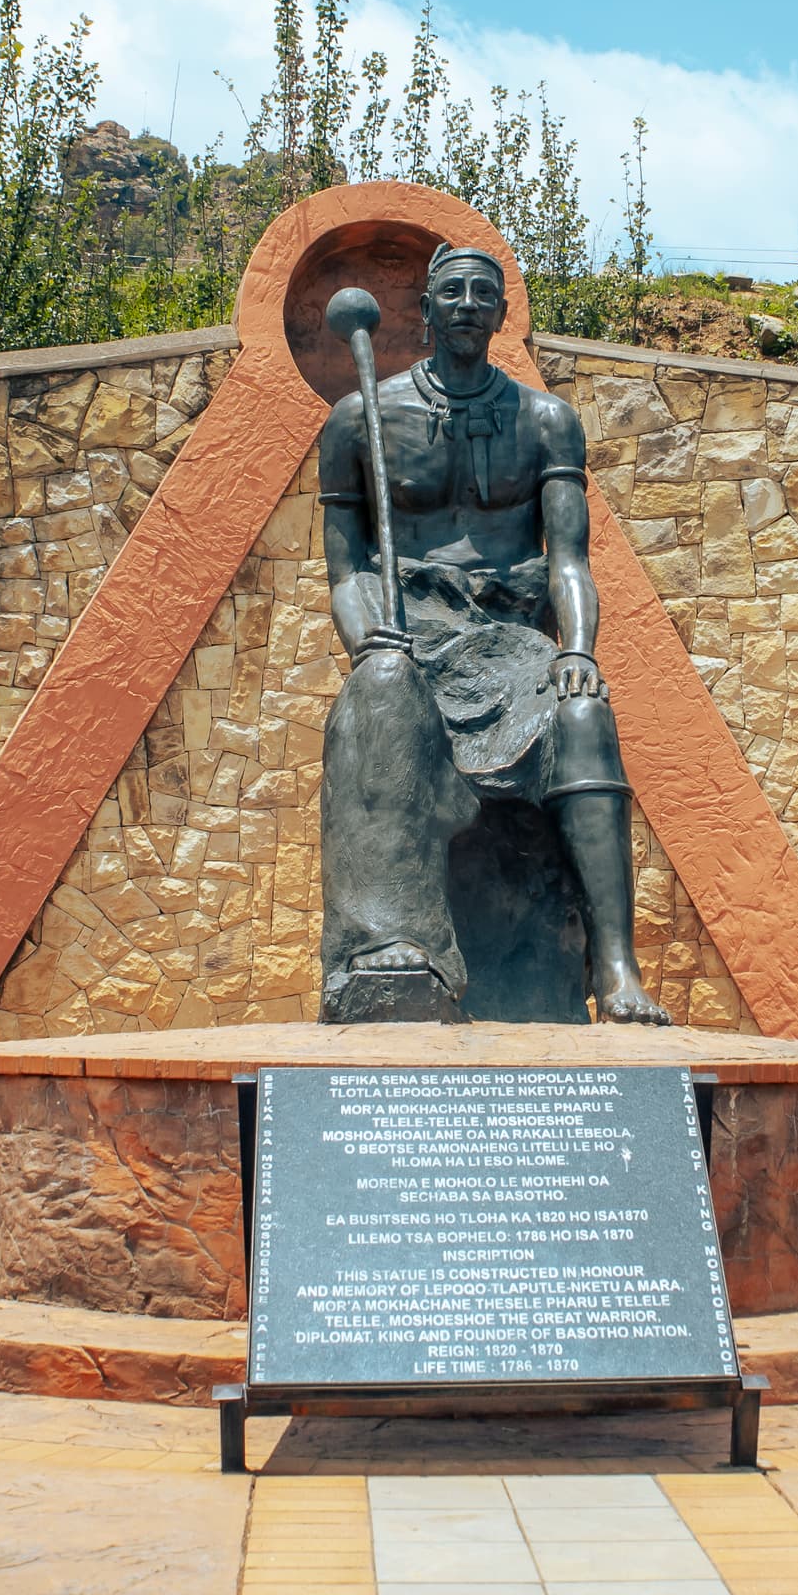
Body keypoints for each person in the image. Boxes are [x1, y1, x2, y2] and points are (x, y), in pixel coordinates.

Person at [315, 241, 672, 1027]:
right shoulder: (358, 422)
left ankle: (616, 970)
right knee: (379, 697)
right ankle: (387, 949)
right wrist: (371, 642)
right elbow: (348, 571)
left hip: (515, 642)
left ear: (504, 314)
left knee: (584, 715)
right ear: (427, 312)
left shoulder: (547, 422)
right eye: (455, 292)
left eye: (486, 292)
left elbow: (569, 560)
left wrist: (577, 650)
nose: (470, 303)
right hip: (412, 631)